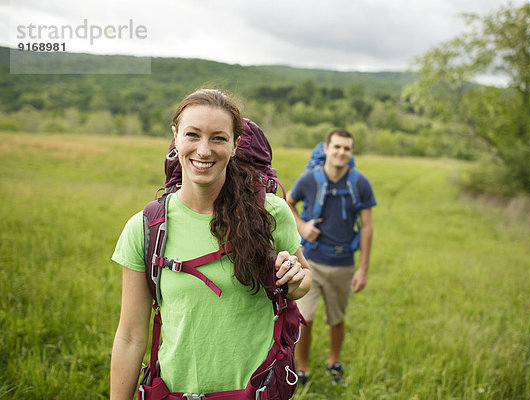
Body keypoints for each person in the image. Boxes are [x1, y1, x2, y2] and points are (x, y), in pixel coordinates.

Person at [110, 89, 312, 399]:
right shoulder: (146, 227)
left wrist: (296, 279)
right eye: (193, 135)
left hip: (254, 392)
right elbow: (129, 337)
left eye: (218, 138)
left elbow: (302, 279)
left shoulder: (270, 212)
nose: (204, 150)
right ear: (175, 138)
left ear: (235, 145)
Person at [286, 129, 376, 385]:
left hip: (343, 263)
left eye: (347, 148)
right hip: (311, 261)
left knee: (337, 320)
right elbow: (288, 203)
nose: (341, 152)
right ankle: (301, 368)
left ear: (351, 152)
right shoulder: (308, 179)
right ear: (326, 149)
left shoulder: (360, 183)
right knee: (305, 319)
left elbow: (367, 226)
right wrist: (302, 227)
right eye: (336, 147)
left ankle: (333, 363)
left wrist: (363, 269)